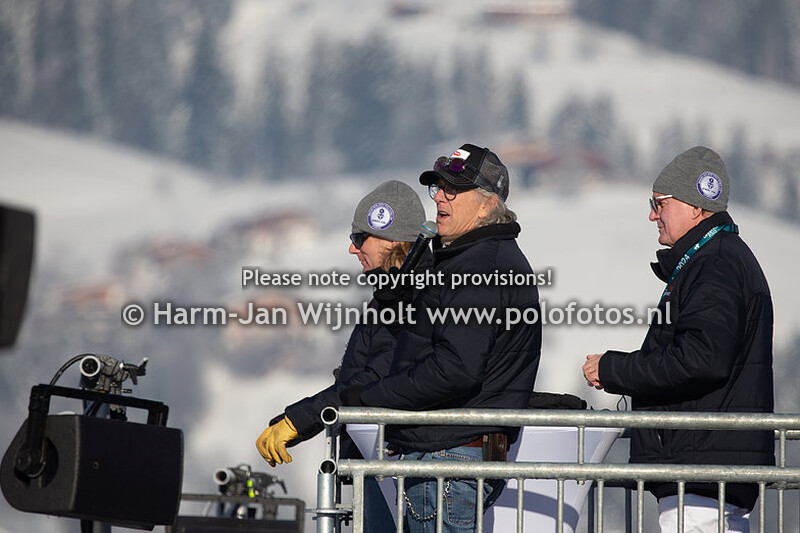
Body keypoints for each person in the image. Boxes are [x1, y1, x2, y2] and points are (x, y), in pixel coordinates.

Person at [341, 144, 542, 533]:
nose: (440, 198)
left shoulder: (481, 266)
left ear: (486, 205)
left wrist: (370, 398)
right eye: (438, 188)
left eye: (454, 189)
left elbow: (454, 370)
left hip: (449, 458)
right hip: (445, 455)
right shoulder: (471, 259)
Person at [582, 146, 774, 533]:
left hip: (702, 467)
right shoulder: (717, 259)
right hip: (708, 464)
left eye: (659, 204)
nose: (652, 215)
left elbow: (702, 358)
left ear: (695, 207)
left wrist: (616, 368)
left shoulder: (714, 265)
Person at [255, 179, 429, 531]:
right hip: (382, 463)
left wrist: (299, 420)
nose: (352, 250)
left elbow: (372, 381)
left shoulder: (409, 297)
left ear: (391, 239)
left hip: (396, 465)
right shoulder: (392, 295)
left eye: (359, 238)